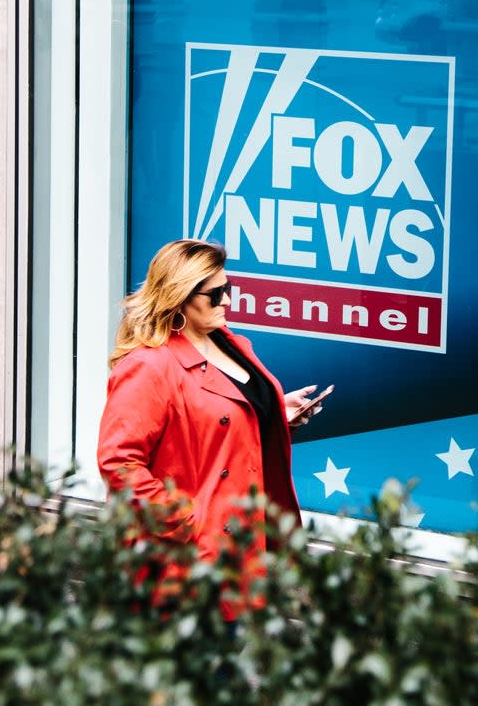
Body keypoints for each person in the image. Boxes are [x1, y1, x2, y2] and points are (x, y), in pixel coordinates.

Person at [97, 238, 321, 619]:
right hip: (189, 563)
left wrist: (274, 414)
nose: (227, 302)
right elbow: (119, 464)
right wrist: (188, 522)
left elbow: (217, 418)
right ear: (180, 296)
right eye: (215, 294)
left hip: (244, 551)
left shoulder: (231, 344)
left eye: (228, 289)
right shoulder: (150, 367)